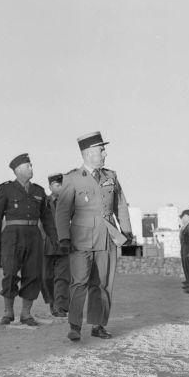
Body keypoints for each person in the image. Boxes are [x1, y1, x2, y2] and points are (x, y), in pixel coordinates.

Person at [55, 131, 133, 342]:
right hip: (81, 239)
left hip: (107, 237)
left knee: (104, 284)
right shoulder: (72, 179)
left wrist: (126, 231)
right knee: (79, 282)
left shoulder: (111, 176)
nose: (105, 154)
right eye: (101, 150)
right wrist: (63, 237)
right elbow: (62, 211)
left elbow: (121, 206)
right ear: (89, 153)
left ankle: (98, 325)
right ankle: (75, 326)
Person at [0, 153, 59, 325]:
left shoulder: (38, 191)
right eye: (28, 166)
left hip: (34, 236)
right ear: (18, 170)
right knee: (10, 273)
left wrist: (55, 238)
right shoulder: (6, 189)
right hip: (12, 236)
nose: (32, 168)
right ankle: (8, 311)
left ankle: (26, 313)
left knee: (33, 274)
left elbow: (47, 218)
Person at [42, 173, 70, 317]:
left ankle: (60, 305)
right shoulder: (43, 202)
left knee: (62, 276)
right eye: (57, 185)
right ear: (50, 186)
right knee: (46, 277)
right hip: (46, 244)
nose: (60, 188)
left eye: (62, 185)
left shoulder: (70, 201)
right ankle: (52, 302)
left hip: (65, 244)